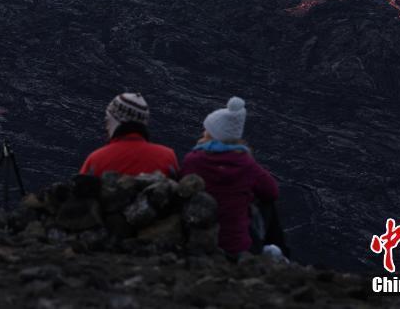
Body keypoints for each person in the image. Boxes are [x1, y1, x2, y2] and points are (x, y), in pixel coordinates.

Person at [180, 96, 285, 257]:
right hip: (238, 248)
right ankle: (279, 252)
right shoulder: (246, 164)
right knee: (266, 202)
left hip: (198, 245)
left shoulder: (193, 160)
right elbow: (272, 191)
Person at [79, 93, 179, 177]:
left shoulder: (96, 159)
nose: (106, 126)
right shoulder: (167, 157)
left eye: (108, 119)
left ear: (115, 121)